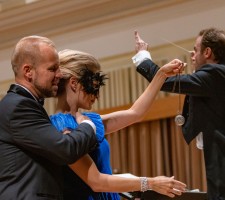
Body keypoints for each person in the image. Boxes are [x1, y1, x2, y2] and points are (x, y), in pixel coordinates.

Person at [50, 49, 187, 200]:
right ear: (74, 83)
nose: (97, 95)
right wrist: (150, 183)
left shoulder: (87, 120)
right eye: (93, 86)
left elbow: (135, 113)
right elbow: (96, 181)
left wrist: (161, 75)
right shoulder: (61, 127)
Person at [0, 36, 99, 200]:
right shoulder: (19, 107)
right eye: (53, 69)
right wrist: (88, 125)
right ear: (28, 71)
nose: (59, 75)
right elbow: (66, 150)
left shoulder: (23, 104)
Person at [133, 28, 225, 200]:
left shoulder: (215, 74)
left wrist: (143, 56)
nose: (191, 54)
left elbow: (165, 81)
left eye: (195, 50)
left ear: (207, 52)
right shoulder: (215, 77)